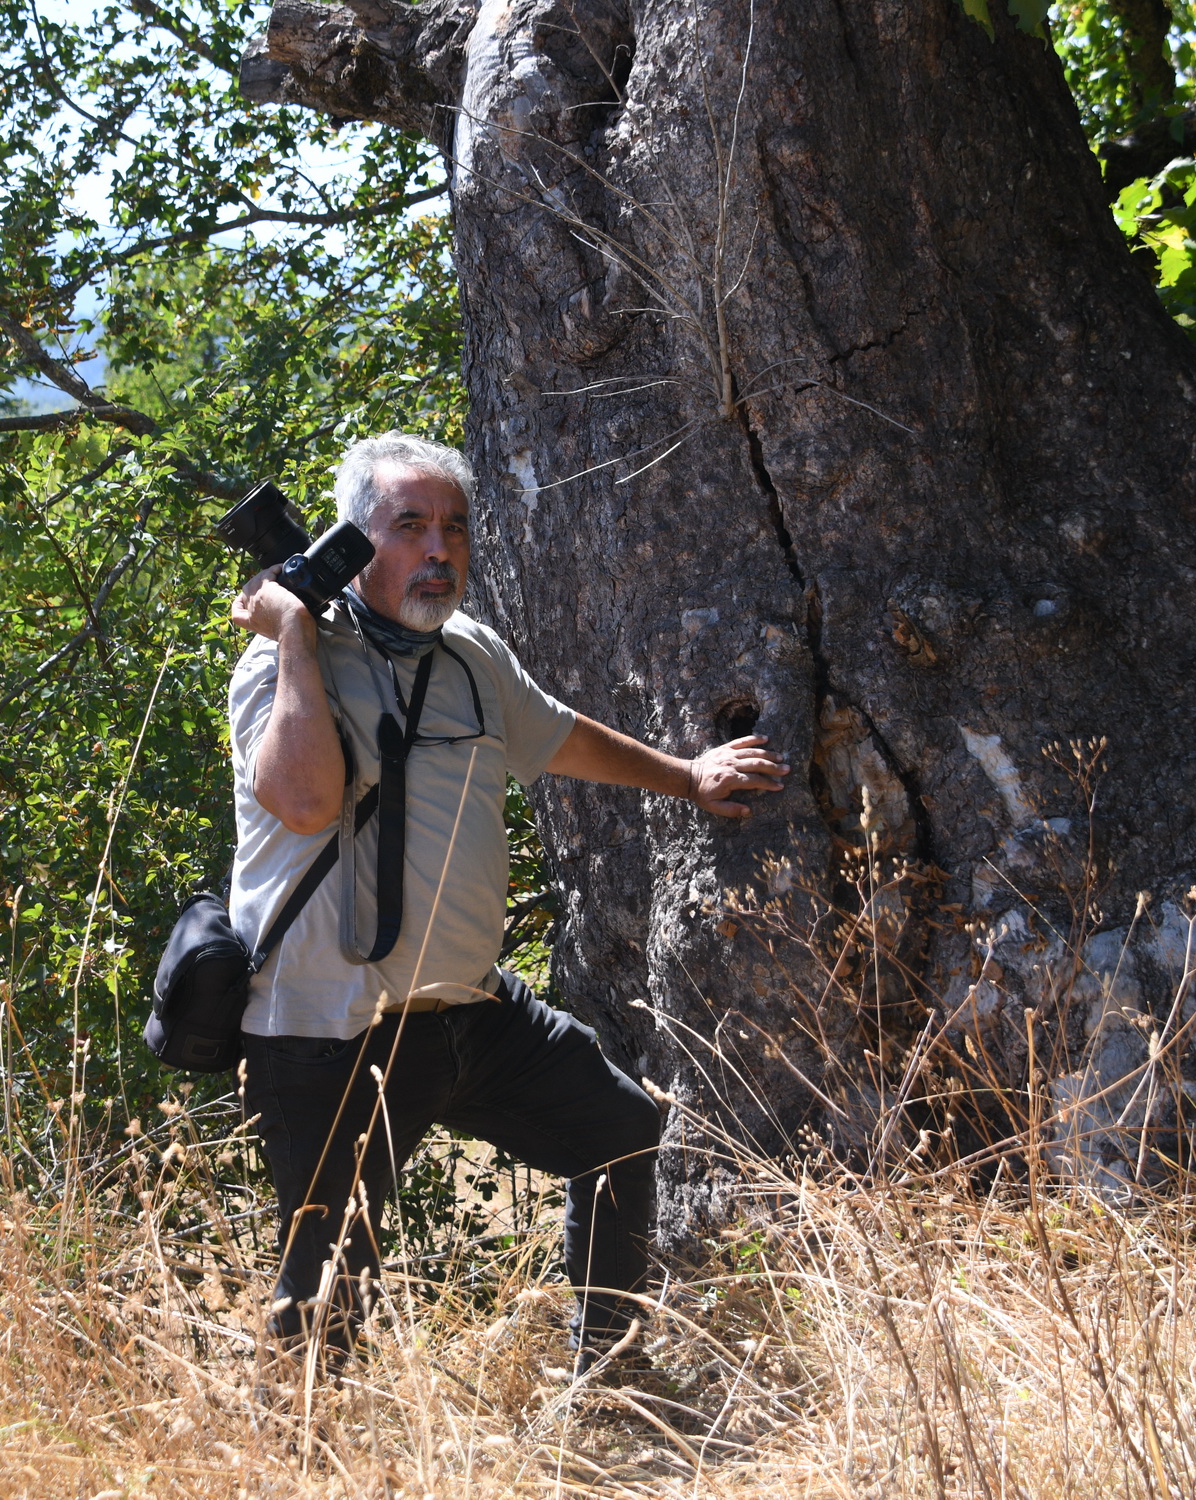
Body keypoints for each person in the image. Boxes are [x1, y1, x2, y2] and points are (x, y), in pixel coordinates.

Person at [227, 431, 786, 1376]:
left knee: (614, 1128)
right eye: (410, 526)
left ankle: (608, 1377)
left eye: (455, 528)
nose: (439, 550)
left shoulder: (470, 656)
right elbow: (307, 801)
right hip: (329, 1032)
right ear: (353, 541)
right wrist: (290, 634)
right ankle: (305, 1458)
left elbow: (561, 737)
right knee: (329, 1291)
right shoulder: (289, 664)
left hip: (469, 1011)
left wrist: (690, 776)